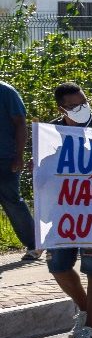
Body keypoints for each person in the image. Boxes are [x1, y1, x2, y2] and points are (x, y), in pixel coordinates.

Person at [46, 82, 92, 338]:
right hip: (62, 212)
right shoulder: (51, 132)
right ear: (61, 109)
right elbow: (46, 169)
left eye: (84, 102)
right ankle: (87, 311)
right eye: (74, 106)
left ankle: (91, 329)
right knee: (58, 266)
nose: (82, 108)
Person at [0, 80, 38, 261]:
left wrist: (19, 155)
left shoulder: (6, 91)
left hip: (5, 158)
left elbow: (20, 123)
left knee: (12, 201)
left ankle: (34, 244)